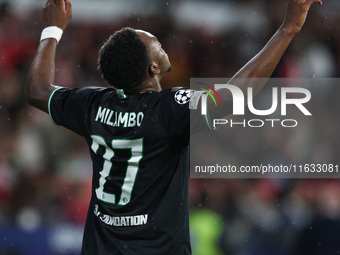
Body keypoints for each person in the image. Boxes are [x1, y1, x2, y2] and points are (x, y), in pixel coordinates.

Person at [25, 0, 322, 254]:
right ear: (153, 67)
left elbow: (37, 89)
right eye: (154, 42)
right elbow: (234, 96)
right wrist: (288, 29)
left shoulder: (91, 104)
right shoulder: (168, 108)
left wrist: (52, 30)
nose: (160, 42)